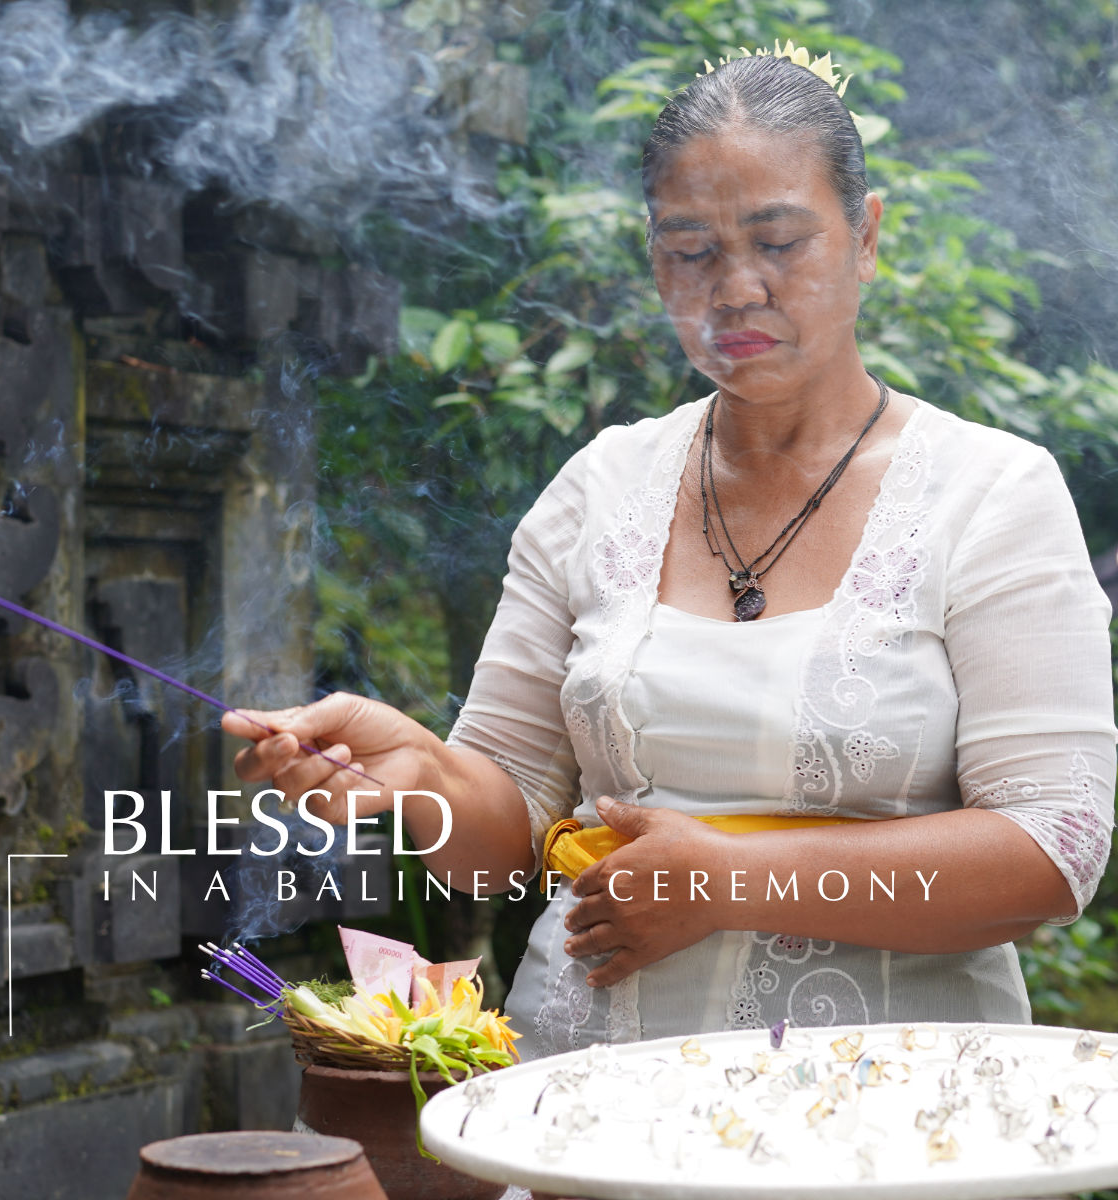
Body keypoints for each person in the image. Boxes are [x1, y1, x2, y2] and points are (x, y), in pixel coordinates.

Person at [222, 51, 1116, 1060]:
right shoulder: (601, 490)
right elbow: (503, 843)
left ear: (866, 238)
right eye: (690, 251)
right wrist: (418, 769)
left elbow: (1054, 848)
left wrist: (730, 886)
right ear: (655, 263)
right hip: (592, 1095)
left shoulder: (990, 495)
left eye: (780, 241)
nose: (736, 289)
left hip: (887, 1115)